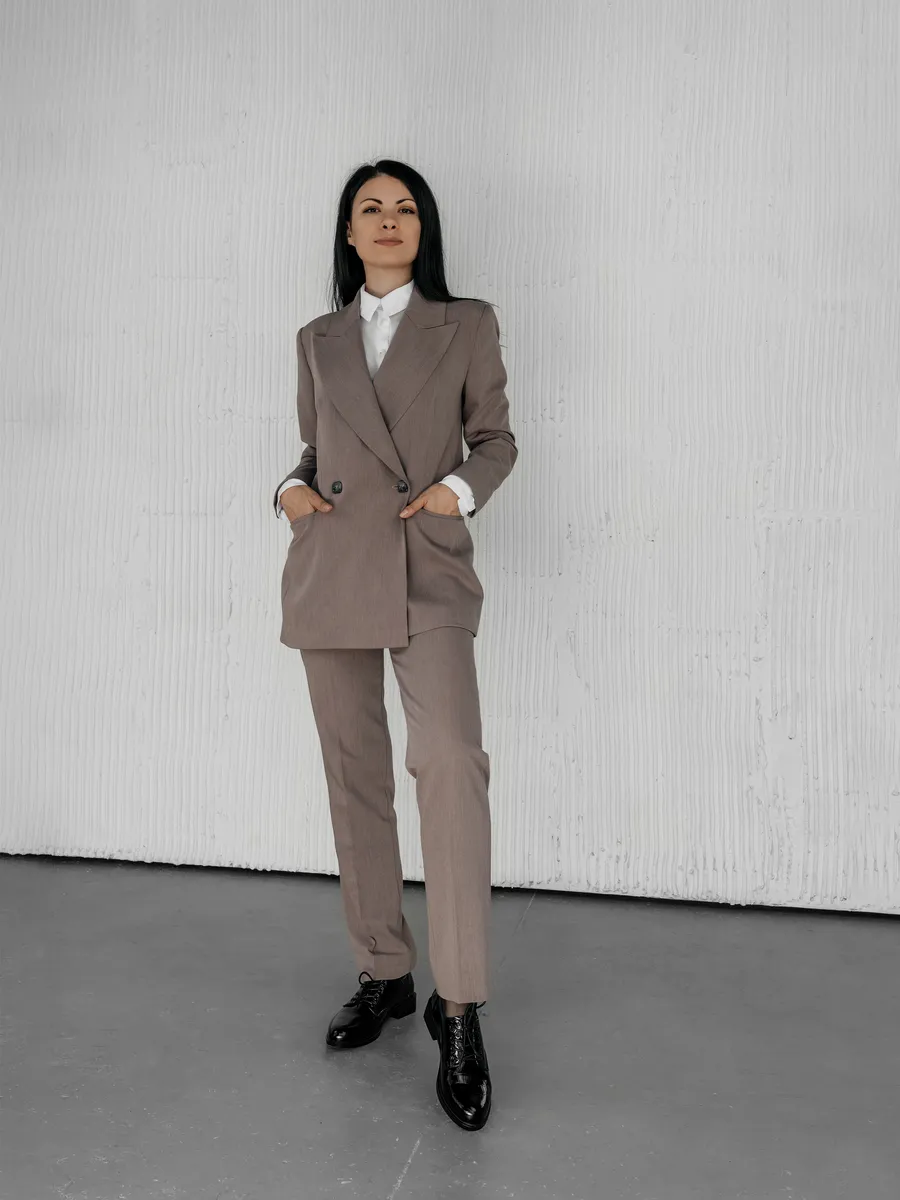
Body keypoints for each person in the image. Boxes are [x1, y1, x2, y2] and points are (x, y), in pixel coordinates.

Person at [272, 159, 518, 1132]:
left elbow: (494, 440)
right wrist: (288, 491)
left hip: (425, 566)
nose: (388, 220)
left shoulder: (467, 324)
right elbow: (317, 451)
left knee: (449, 763)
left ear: (424, 228)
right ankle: (384, 968)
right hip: (333, 567)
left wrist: (454, 493)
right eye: (370, 208)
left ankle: (459, 1006)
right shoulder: (317, 338)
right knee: (354, 774)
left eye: (404, 208)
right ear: (348, 231)